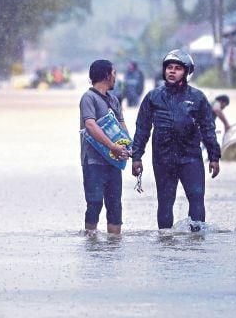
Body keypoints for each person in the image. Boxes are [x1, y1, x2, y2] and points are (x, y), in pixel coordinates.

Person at [130, 50, 221, 233]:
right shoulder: (152, 97)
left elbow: (208, 128)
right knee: (165, 202)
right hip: (163, 159)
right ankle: (166, 242)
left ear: (186, 72)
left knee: (196, 199)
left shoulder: (197, 97)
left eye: (177, 68)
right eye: (169, 67)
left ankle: (196, 242)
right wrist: (136, 157)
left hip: (191, 158)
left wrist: (214, 156)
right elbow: (142, 129)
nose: (172, 71)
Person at [80, 59, 131, 235]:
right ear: (106, 75)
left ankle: (114, 245)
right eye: (114, 73)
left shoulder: (114, 100)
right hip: (93, 161)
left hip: (113, 161)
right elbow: (90, 125)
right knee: (94, 203)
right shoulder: (88, 98)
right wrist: (111, 146)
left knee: (115, 205)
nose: (115, 77)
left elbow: (122, 125)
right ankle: (91, 242)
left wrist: (129, 147)